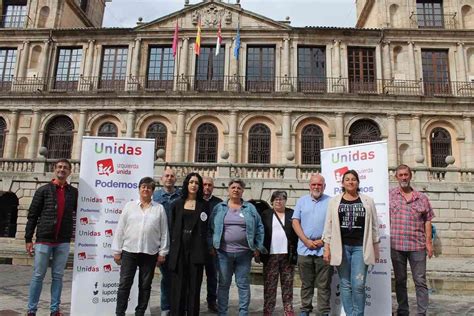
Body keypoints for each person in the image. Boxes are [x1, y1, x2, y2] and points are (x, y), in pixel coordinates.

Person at [322, 170, 380, 316]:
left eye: (353, 179)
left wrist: (376, 247)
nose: (350, 182)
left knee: (359, 285)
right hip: (341, 248)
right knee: (345, 284)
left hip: (361, 247)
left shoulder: (367, 201)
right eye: (347, 179)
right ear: (343, 183)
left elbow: (374, 226)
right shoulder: (334, 202)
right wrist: (326, 249)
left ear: (358, 182)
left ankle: (358, 314)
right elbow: (328, 226)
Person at [25, 159, 78, 316]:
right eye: (60, 167)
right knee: (38, 275)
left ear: (69, 172)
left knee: (58, 276)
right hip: (44, 240)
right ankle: (31, 309)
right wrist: (28, 239)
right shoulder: (43, 190)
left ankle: (55, 310)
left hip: (62, 240)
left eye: (65, 168)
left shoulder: (74, 193)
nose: (62, 170)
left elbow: (81, 214)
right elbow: (32, 216)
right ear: (55, 170)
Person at [112, 177, 169, 316]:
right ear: (139, 189)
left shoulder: (159, 209)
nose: (146, 189)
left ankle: (140, 312)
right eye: (143, 186)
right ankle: (120, 313)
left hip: (149, 252)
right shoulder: (129, 206)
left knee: (144, 286)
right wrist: (116, 250)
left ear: (153, 191)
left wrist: (163, 252)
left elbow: (164, 232)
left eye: (149, 187)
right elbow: (120, 229)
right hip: (129, 251)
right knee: (124, 284)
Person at [210, 178, 266, 315]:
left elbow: (259, 227)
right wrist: (211, 245)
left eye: (239, 188)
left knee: (243, 285)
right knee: (223, 285)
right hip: (223, 253)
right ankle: (222, 312)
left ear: (242, 191)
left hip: (244, 254)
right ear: (228, 190)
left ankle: (243, 312)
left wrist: (258, 247)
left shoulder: (250, 208)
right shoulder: (219, 208)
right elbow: (210, 228)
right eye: (233, 187)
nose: (236, 190)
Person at [390, 164, 434, 316]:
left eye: (406, 174)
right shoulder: (390, 196)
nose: (403, 177)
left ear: (410, 176)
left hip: (417, 246)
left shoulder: (422, 198)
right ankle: (403, 310)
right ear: (396, 177)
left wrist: (429, 242)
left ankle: (422, 312)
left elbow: (428, 220)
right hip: (396, 245)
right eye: (400, 175)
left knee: (420, 281)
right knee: (400, 281)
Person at [168, 172, 210, 315]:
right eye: (191, 182)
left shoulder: (204, 206)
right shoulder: (176, 204)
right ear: (186, 184)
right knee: (178, 287)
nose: (194, 185)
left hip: (196, 251)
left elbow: (207, 228)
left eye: (197, 183)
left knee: (194, 288)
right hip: (179, 250)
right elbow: (171, 227)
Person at [292, 173, 331, 316]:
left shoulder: (331, 202)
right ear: (309, 186)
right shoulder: (302, 201)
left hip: (324, 249)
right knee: (306, 284)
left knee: (324, 285)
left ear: (324, 186)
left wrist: (324, 240)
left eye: (319, 184)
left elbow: (333, 224)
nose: (316, 187)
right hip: (304, 249)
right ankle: (305, 310)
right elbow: (295, 222)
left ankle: (323, 312)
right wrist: (306, 241)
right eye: (314, 184)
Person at [261, 191, 298, 316]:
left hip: (287, 255)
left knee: (287, 284)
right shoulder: (266, 214)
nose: (278, 201)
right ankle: (268, 309)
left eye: (281, 199)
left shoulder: (291, 214)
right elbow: (261, 233)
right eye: (276, 199)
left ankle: (288, 308)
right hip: (270, 255)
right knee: (270, 284)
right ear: (272, 201)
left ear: (285, 201)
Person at [152, 167, 181, 316]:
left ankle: (178, 306)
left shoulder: (181, 196)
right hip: (160, 243)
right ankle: (165, 307)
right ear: (162, 179)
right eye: (166, 176)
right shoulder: (155, 196)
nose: (169, 178)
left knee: (178, 277)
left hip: (178, 244)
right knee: (166, 277)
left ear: (175, 179)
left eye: (172, 176)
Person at [203, 176, 223, 313]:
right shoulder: (194, 201)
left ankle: (212, 301)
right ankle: (190, 300)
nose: (207, 187)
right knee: (193, 276)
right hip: (196, 246)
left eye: (209, 185)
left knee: (212, 276)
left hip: (213, 247)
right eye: (204, 184)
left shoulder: (219, 203)